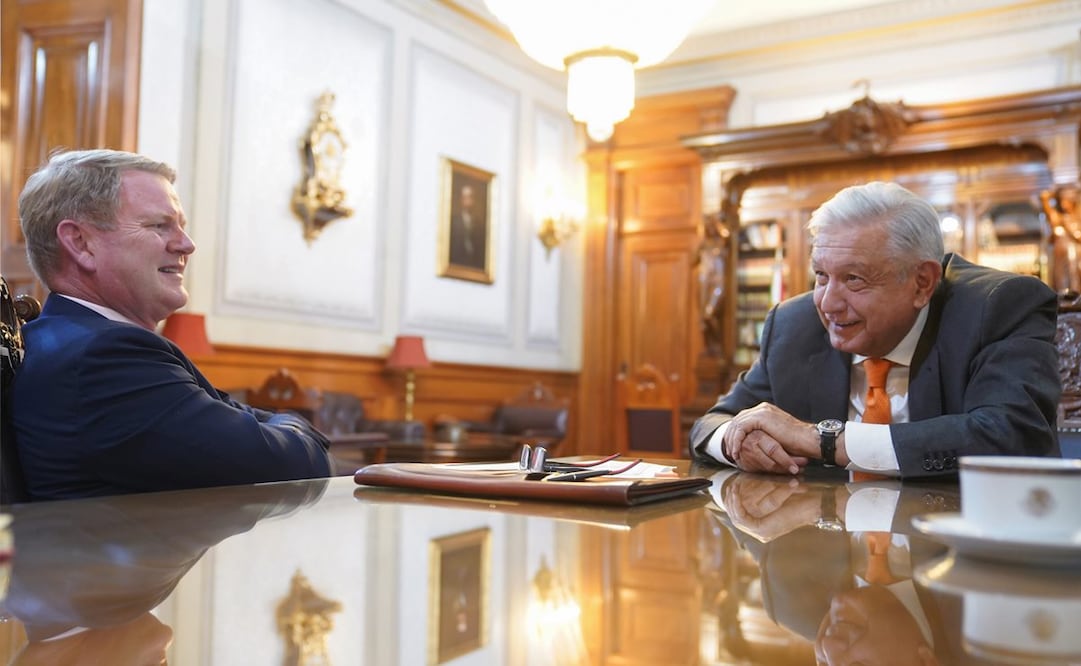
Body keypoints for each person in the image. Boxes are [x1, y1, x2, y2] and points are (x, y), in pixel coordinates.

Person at [11, 149, 332, 500]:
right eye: (158, 225)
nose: (186, 244)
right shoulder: (105, 360)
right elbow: (298, 467)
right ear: (81, 243)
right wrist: (296, 426)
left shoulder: (67, 339)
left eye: (181, 226)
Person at [690, 181, 1060, 478]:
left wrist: (822, 440)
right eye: (821, 275)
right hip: (824, 556)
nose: (828, 303)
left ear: (921, 284)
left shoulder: (998, 308)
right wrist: (738, 441)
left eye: (854, 279)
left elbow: (1010, 435)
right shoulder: (792, 325)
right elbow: (711, 423)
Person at [447, 180, 487, 270]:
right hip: (458, 262)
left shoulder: (479, 224)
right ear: (461, 199)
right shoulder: (454, 221)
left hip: (474, 263)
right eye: (465, 197)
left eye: (470, 197)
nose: (468, 200)